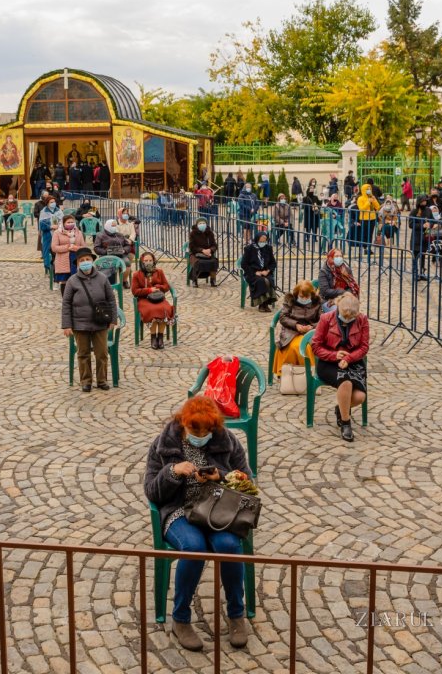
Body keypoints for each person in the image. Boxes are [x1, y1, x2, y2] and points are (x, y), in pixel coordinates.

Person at [143, 395, 253, 650]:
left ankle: (236, 614)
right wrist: (172, 472)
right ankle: (180, 619)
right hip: (179, 511)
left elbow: (247, 481)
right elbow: (151, 491)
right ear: (183, 423)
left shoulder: (227, 441)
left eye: (207, 431)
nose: (201, 435)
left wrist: (221, 476)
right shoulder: (163, 444)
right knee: (193, 547)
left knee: (229, 546)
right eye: (195, 430)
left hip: (217, 510)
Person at [311, 292, 369, 442]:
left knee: (360, 397)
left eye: (351, 318)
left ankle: (340, 409)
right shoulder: (326, 319)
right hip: (328, 362)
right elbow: (315, 346)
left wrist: (349, 358)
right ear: (338, 308)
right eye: (345, 317)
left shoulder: (362, 320)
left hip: (353, 362)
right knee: (346, 381)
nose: (347, 320)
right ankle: (346, 423)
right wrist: (334, 355)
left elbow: (364, 347)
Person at [61, 247, 117, 392]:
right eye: (82, 260)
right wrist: (66, 325)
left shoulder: (102, 278)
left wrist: (112, 320)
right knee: (83, 354)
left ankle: (102, 380)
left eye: (88, 259)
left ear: (92, 261)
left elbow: (111, 300)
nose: (85, 262)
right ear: (78, 264)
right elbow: (66, 303)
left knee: (102, 353)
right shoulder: (72, 281)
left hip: (100, 322)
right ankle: (85, 381)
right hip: (80, 324)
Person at [273, 281, 320, 377]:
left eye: (307, 297)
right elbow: (283, 317)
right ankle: (288, 374)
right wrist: (296, 325)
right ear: (297, 294)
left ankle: (309, 374)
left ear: (311, 295)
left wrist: (312, 327)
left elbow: (323, 320)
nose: (304, 299)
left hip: (310, 331)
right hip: (292, 330)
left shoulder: (317, 302)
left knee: (307, 347)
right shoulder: (290, 300)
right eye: (302, 297)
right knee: (292, 347)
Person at [131, 251, 175, 349]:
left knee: (165, 309)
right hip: (144, 300)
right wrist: (149, 290)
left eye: (150, 260)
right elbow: (135, 291)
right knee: (152, 310)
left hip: (159, 298)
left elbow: (166, 286)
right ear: (142, 262)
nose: (148, 262)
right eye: (146, 260)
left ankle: (160, 337)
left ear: (154, 261)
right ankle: (153, 337)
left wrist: (158, 287)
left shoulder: (159, 272)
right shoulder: (137, 274)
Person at [241, 231, 277, 313]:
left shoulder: (268, 248)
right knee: (261, 281)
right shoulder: (249, 249)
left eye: (264, 241)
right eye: (261, 241)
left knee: (269, 280)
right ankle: (262, 304)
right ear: (257, 240)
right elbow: (244, 264)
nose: (263, 243)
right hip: (253, 273)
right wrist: (255, 272)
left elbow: (273, 263)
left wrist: (267, 271)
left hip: (265, 272)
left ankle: (265, 304)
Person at [94, 219, 135, 285]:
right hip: (106, 256)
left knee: (127, 262)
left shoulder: (119, 235)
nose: (114, 227)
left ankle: (124, 281)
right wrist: (106, 251)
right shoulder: (100, 235)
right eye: (112, 226)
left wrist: (124, 250)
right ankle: (107, 284)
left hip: (120, 255)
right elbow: (96, 248)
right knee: (107, 267)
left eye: (115, 226)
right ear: (107, 226)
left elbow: (128, 245)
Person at [51, 215, 85, 288]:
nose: (70, 224)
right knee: (64, 282)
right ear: (63, 223)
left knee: (77, 282)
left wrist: (76, 248)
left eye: (72, 222)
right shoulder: (57, 233)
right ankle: (65, 298)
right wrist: (67, 247)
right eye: (68, 222)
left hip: (76, 259)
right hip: (63, 260)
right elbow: (54, 248)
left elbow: (84, 247)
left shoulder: (79, 233)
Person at [188, 219, 219, 287]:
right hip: (195, 253)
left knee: (214, 261)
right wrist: (202, 250)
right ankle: (194, 280)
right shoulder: (193, 233)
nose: (202, 224)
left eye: (203, 223)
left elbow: (214, 245)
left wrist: (210, 250)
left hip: (208, 253)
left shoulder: (210, 233)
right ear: (197, 224)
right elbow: (192, 247)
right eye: (200, 223)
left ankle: (213, 279)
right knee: (197, 262)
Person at [355, 184, 380, 252]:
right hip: (364, 219)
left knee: (370, 233)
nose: (369, 190)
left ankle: (369, 247)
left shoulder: (372, 197)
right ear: (363, 190)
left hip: (372, 218)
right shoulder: (360, 198)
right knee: (365, 233)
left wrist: (374, 200)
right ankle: (364, 247)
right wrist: (368, 202)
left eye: (370, 189)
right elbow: (361, 209)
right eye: (367, 189)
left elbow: (377, 207)